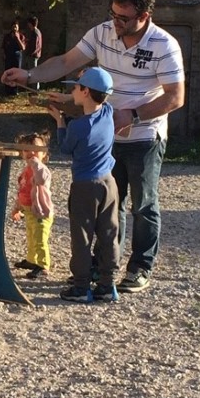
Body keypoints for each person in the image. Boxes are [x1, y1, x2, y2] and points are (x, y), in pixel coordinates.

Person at [2, 0, 185, 293]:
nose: (116, 23)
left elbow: (175, 96)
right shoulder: (102, 33)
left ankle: (140, 267)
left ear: (144, 16)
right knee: (110, 209)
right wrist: (30, 75)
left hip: (145, 136)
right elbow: (65, 62)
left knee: (143, 205)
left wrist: (134, 114)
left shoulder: (164, 45)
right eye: (113, 14)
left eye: (123, 18)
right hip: (107, 138)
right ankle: (104, 270)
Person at [48, 67, 119, 303]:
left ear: (86, 91)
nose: (73, 91)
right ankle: (107, 285)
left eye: (76, 87)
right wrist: (68, 106)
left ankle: (81, 287)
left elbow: (66, 148)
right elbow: (90, 112)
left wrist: (60, 122)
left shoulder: (78, 127)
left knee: (82, 237)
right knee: (108, 233)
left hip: (84, 186)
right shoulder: (108, 112)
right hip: (108, 182)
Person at [10, 132, 54, 280]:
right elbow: (22, 190)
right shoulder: (25, 171)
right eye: (26, 149)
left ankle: (43, 265)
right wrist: (17, 207)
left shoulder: (42, 169)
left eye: (35, 149)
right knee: (31, 236)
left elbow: (41, 179)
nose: (31, 153)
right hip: (28, 210)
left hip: (40, 211)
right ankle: (32, 260)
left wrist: (36, 163)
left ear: (44, 153)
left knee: (40, 237)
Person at [1, 22, 26, 95]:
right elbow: (3, 47)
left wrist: (17, 38)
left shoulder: (21, 36)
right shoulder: (7, 36)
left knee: (16, 73)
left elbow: (23, 48)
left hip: (17, 57)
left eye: (16, 27)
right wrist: (4, 55)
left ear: (18, 28)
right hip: (8, 57)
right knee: (8, 73)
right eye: (13, 26)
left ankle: (15, 91)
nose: (14, 28)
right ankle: (7, 91)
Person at [23, 16, 43, 89]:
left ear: (30, 24)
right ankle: (35, 89)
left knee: (33, 74)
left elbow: (34, 46)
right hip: (36, 55)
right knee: (34, 73)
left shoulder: (34, 32)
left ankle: (35, 90)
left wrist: (28, 54)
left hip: (32, 56)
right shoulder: (38, 32)